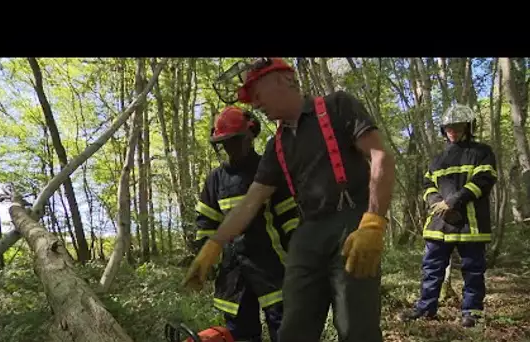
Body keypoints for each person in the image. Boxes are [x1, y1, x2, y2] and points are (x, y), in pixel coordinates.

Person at [183, 58, 396, 342]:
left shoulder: (337, 106)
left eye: (256, 94)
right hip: (307, 236)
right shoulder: (277, 146)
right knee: (293, 331)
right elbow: (250, 202)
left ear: (283, 80)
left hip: (351, 225)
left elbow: (380, 156)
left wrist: (373, 221)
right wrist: (214, 245)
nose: (255, 104)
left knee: (356, 329)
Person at [188, 106, 299, 342]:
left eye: (235, 141)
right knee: (240, 335)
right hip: (233, 274)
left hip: (272, 266)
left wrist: (301, 258)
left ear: (250, 136)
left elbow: (290, 218)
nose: (230, 148)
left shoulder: (269, 170)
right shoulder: (215, 180)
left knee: (286, 331)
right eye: (225, 143)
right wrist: (206, 259)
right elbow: (206, 224)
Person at [399, 104, 497, 328]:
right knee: (431, 267)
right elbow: (427, 184)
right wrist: (436, 202)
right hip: (438, 223)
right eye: (448, 127)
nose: (452, 131)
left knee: (473, 269)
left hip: (470, 223)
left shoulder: (482, 152)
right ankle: (426, 309)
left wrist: (452, 201)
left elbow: (484, 180)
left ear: (469, 127)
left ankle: (472, 311)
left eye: (458, 126)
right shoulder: (437, 160)